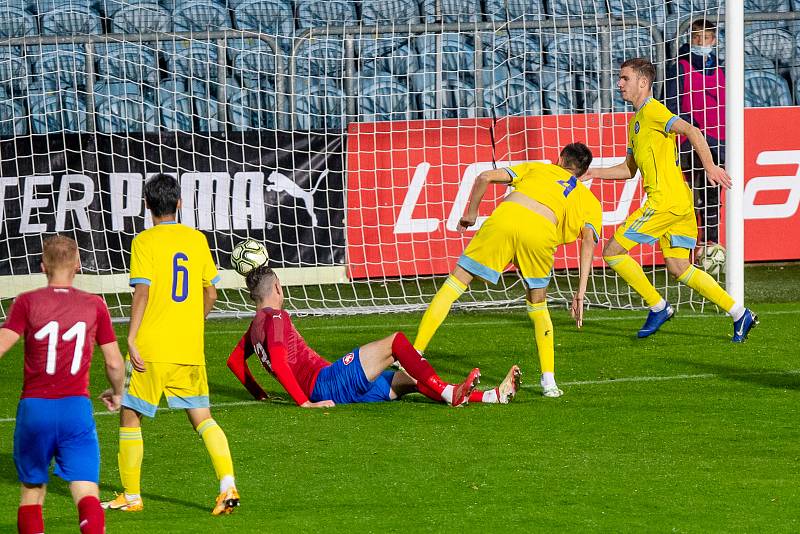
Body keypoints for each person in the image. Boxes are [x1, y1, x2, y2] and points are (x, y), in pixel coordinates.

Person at [584, 58, 757, 342]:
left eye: (624, 78)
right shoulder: (636, 121)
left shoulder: (654, 111)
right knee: (678, 267)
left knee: (613, 252)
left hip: (663, 202)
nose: (619, 83)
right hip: (679, 202)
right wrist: (594, 172)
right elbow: (629, 170)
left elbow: (692, 131)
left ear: (643, 82)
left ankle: (659, 306)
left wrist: (710, 166)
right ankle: (740, 314)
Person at [413, 143, 602, 398]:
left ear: (559, 159)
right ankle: (549, 382)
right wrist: (580, 293)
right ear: (582, 173)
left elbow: (484, 176)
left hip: (506, 218)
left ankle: (414, 354)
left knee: (453, 286)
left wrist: (471, 213)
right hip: (540, 231)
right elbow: (588, 241)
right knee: (538, 306)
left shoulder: (538, 168)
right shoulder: (588, 199)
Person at [102, 173, 240, 516]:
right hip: (188, 348)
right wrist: (192, 323)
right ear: (179, 204)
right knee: (203, 418)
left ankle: (131, 495)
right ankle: (227, 484)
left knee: (130, 414)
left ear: (147, 206)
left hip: (151, 349)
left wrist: (131, 338)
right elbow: (211, 292)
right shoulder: (196, 240)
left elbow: (143, 292)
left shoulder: (144, 242)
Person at [227, 265, 521, 407]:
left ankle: (492, 397)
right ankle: (452, 396)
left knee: (407, 379)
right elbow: (278, 362)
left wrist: (262, 394)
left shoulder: (255, 325)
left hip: (325, 385)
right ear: (277, 288)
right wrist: (305, 403)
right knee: (396, 343)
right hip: (326, 383)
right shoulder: (277, 317)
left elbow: (235, 363)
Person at [0, 235, 126, 534]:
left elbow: (3, 344)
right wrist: (117, 392)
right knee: (86, 492)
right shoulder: (94, 305)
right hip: (75, 410)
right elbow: (114, 363)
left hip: (34, 410)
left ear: (43, 266)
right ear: (78, 265)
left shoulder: (26, 302)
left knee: (32, 492)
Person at [665, 18, 725, 250]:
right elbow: (671, 106)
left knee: (712, 195)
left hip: (718, 142)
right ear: (690, 40)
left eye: (706, 38)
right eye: (696, 37)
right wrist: (693, 131)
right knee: (690, 196)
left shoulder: (720, 69)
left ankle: (711, 244)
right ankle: (686, 243)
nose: (701, 42)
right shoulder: (679, 67)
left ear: (714, 40)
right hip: (690, 142)